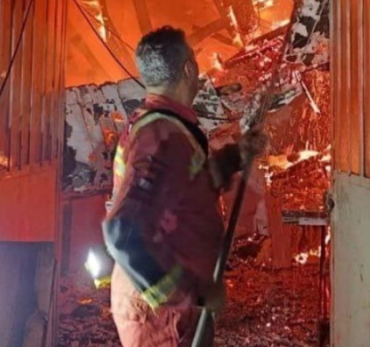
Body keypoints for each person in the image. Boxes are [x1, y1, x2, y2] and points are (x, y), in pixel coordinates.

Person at [103, 26, 267, 347]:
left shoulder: (161, 125)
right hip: (162, 319)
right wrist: (186, 294)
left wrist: (236, 155)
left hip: (167, 310)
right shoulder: (160, 136)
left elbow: (182, 190)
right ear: (189, 68)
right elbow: (123, 233)